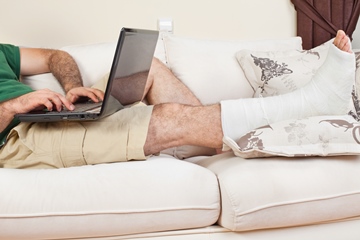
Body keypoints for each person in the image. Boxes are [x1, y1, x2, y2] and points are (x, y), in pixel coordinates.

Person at [0, 30, 355, 168]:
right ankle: (313, 104)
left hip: (52, 112)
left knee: (147, 68)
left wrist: (71, 88)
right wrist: (12, 107)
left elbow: (54, 56)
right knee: (168, 117)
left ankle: (212, 137)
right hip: (21, 137)